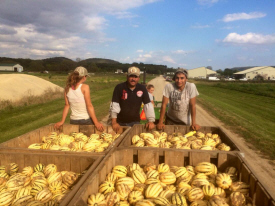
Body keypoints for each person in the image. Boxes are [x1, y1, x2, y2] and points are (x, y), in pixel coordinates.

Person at [54, 66, 104, 131]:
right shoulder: (85, 87)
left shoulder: (67, 88)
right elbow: (89, 106)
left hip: (73, 120)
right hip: (85, 120)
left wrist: (62, 121)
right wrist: (96, 122)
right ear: (84, 77)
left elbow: (67, 105)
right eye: (86, 76)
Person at [110, 66, 155, 133]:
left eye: (135, 77)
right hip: (120, 123)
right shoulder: (119, 88)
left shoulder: (142, 88)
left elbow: (148, 105)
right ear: (127, 76)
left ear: (139, 78)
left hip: (135, 122)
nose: (133, 79)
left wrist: (150, 121)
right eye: (131, 76)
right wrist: (114, 122)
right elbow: (114, 105)